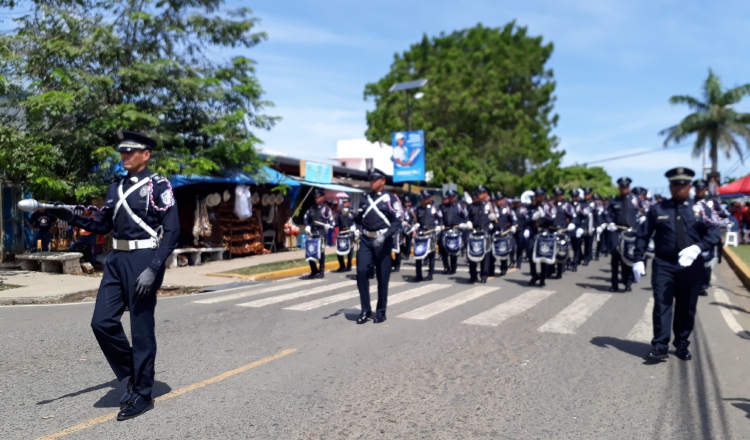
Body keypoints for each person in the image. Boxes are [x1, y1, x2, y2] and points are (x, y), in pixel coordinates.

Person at [47, 130, 179, 421]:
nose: (125, 156)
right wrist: (72, 218)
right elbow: (103, 226)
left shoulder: (158, 186)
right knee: (101, 322)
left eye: (131, 152)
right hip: (117, 259)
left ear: (145, 155)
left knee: (141, 328)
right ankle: (134, 373)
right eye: (123, 152)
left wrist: (154, 267)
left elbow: (172, 231)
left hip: (144, 258)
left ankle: (143, 393)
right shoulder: (115, 187)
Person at [633, 167, 721, 361]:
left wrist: (698, 247)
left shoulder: (701, 209)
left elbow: (715, 232)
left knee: (686, 305)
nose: (679, 188)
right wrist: (638, 258)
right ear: (670, 186)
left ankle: (681, 344)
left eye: (683, 185)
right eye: (675, 185)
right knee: (662, 304)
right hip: (664, 264)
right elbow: (643, 233)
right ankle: (660, 345)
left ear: (689, 186)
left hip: (691, 266)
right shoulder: (658, 209)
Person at [353, 168, 403, 324]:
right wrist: (355, 227)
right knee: (361, 271)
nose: (372, 182)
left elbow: (397, 221)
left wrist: (385, 236)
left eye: (375, 180)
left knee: (382, 277)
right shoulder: (364, 198)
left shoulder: (391, 198)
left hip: (383, 241)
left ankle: (381, 311)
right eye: (370, 180)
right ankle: (365, 310)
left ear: (383, 181)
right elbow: (358, 218)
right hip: (366, 240)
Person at [693, 179, 730, 296]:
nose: (699, 191)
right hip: (694, 236)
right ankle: (693, 285)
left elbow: (724, 214)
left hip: (708, 235)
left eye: (702, 189)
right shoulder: (690, 202)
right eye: (697, 189)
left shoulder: (713, 202)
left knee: (707, 263)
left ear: (706, 189)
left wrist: (715, 213)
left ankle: (703, 285)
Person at [606, 177, 638, 292]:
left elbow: (643, 214)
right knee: (615, 258)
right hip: (616, 232)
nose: (624, 189)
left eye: (626, 187)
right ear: (619, 188)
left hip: (630, 233)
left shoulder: (635, 200)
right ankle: (614, 284)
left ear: (628, 188)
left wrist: (636, 227)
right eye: (622, 187)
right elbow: (607, 214)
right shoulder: (614, 200)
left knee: (628, 259)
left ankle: (627, 282)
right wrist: (610, 223)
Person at [304, 189, 334, 278]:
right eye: (315, 197)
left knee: (321, 252)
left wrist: (328, 225)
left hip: (321, 232)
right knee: (310, 251)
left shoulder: (326, 208)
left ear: (322, 198)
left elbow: (331, 220)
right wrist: (307, 225)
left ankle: (321, 271)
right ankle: (314, 270)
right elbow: (306, 217)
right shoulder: (312, 208)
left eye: (318, 197)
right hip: (312, 231)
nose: (316, 199)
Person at [413, 190, 443, 281]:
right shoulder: (418, 209)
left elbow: (440, 219)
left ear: (430, 198)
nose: (424, 200)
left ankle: (430, 274)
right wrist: (415, 226)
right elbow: (415, 220)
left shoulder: (435, 208)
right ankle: (418, 275)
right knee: (418, 254)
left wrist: (439, 227)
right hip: (421, 233)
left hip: (432, 232)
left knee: (431, 254)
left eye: (426, 198)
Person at [466, 186, 493, 283]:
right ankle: (473, 275)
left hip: (485, 232)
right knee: (472, 255)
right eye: (478, 193)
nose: (479, 195)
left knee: (485, 255)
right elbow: (467, 217)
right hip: (474, 232)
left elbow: (496, 219)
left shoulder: (489, 205)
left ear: (486, 194)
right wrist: (468, 223)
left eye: (481, 193)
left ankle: (484, 275)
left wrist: (492, 222)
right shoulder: (472, 206)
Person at [528, 187, 554, 287]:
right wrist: (532, 218)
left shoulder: (548, 206)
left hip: (544, 234)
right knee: (531, 256)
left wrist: (544, 216)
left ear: (543, 196)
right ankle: (534, 275)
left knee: (543, 256)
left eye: (540, 196)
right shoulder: (531, 207)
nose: (538, 198)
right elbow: (525, 219)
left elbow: (553, 219)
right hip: (533, 233)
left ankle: (542, 278)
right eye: (536, 196)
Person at [438, 189, 468, 274]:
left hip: (456, 229)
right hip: (445, 229)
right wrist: (441, 224)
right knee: (443, 249)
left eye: (452, 197)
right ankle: (446, 267)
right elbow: (440, 217)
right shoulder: (443, 206)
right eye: (449, 197)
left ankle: (453, 268)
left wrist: (463, 225)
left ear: (455, 197)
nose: (451, 198)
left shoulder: (460, 206)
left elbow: (465, 216)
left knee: (453, 250)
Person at [491, 191, 517, 277]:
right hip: (494, 232)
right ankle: (491, 269)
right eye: (497, 200)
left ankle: (503, 268)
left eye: (500, 200)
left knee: (503, 252)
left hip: (504, 232)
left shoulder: (507, 209)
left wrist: (513, 226)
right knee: (492, 253)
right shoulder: (492, 208)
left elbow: (514, 218)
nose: (498, 201)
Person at [336, 197, 355, 272]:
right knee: (340, 249)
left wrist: (354, 226)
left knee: (350, 250)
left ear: (348, 203)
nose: (344, 204)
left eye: (345, 202)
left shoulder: (352, 211)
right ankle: (342, 265)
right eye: (343, 202)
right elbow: (338, 222)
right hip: (342, 232)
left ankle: (349, 265)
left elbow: (356, 220)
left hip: (350, 232)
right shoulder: (340, 212)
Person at [512, 198, 530, 269]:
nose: (516, 204)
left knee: (520, 246)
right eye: (515, 203)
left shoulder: (523, 210)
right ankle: (512, 260)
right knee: (512, 246)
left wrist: (526, 229)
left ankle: (518, 262)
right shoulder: (511, 210)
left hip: (520, 229)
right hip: (513, 230)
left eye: (517, 203)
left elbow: (526, 220)